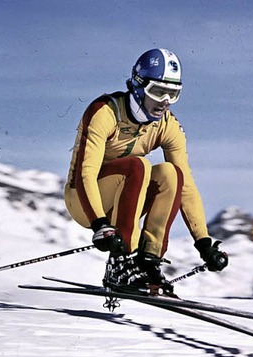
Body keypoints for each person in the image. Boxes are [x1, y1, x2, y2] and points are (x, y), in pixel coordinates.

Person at [64, 48, 228, 296]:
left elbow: (186, 188)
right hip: (85, 201)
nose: (165, 102)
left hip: (126, 200)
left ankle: (147, 261)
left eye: (173, 94)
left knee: (171, 174)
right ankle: (122, 263)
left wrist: (203, 243)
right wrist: (100, 225)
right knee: (138, 165)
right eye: (159, 92)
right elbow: (86, 173)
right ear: (139, 87)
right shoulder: (106, 112)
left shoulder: (167, 125)